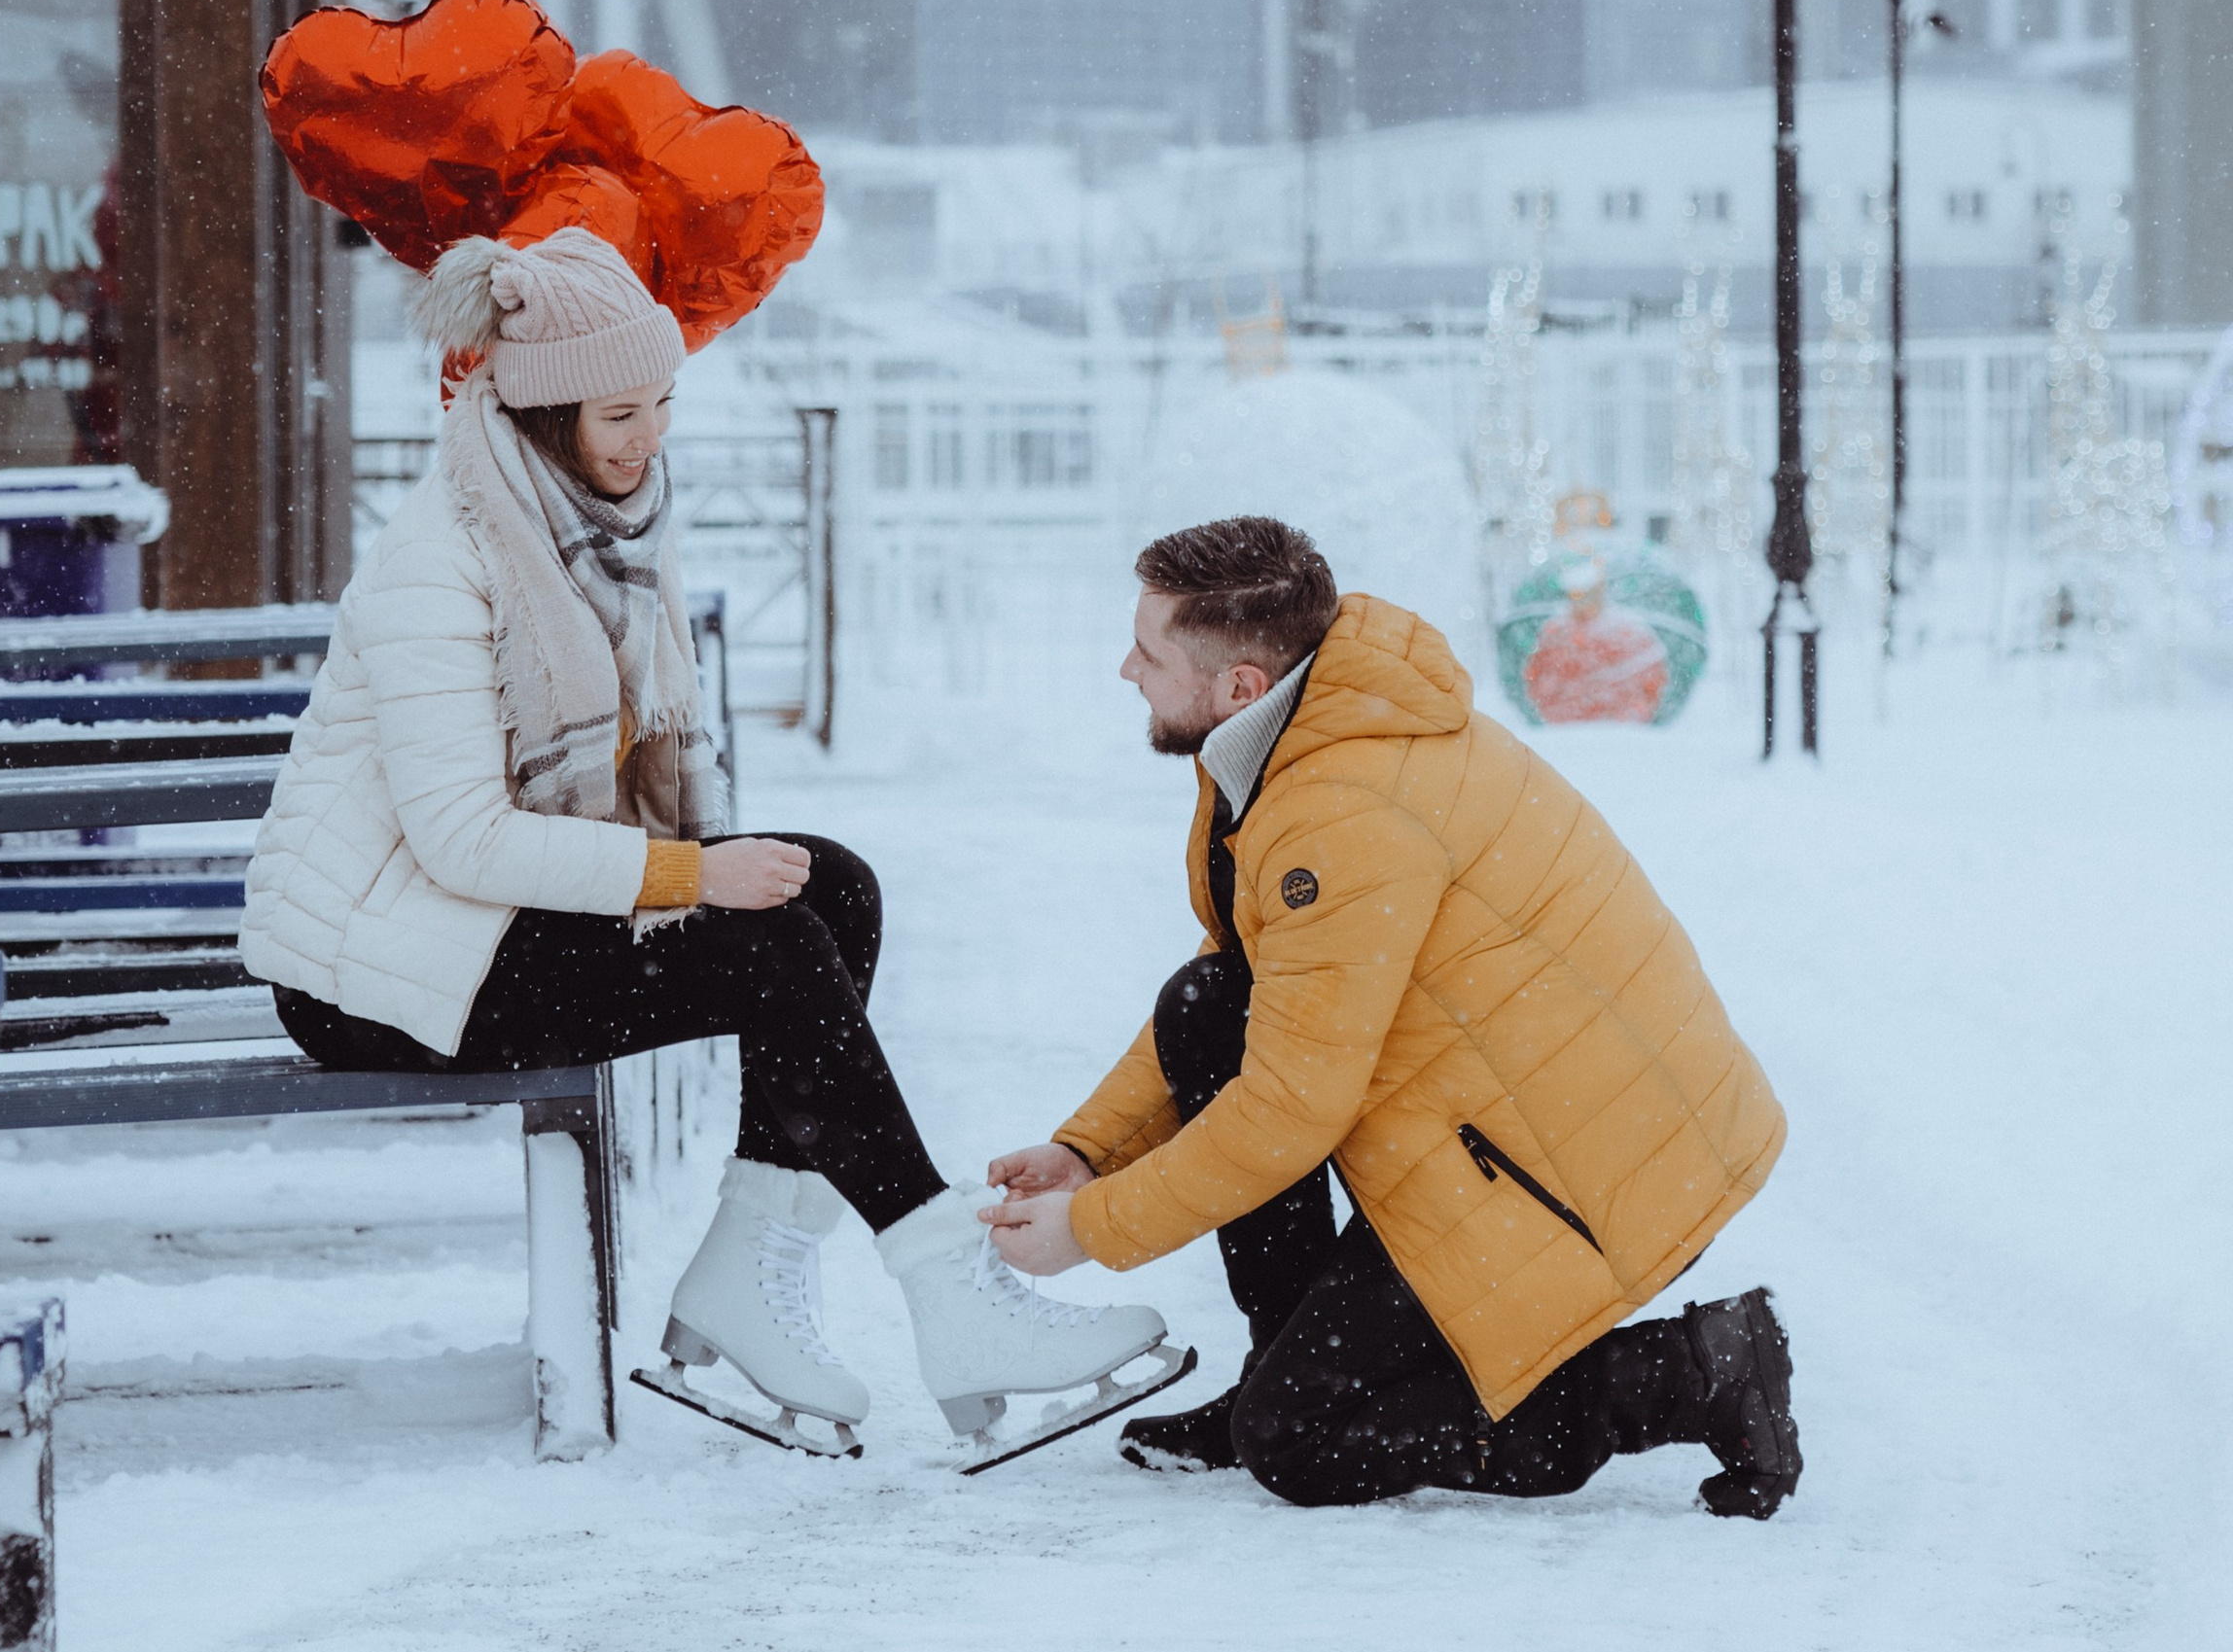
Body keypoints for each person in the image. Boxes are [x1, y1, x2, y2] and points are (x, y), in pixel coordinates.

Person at [239, 220, 1172, 1458]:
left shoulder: (599, 528)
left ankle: (750, 1264)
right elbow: (461, 839)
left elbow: (649, 760)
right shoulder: (444, 559)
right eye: (619, 415)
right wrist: (691, 875)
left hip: (478, 926)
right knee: (768, 946)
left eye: (663, 402)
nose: (650, 438)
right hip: (377, 966)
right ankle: (951, 1288)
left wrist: (712, 866)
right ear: (540, 411)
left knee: (829, 888)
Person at [985, 512, 1801, 1516]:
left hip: (1579, 1172)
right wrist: (1089, 1152)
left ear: (1239, 683)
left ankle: (1692, 1371)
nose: (1124, 669)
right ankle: (1291, 1359)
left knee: (1300, 1442)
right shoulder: (1305, 724)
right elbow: (1244, 976)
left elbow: (1290, 1109)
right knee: (1210, 1008)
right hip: (1504, 1119)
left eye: (1147, 651)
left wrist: (1091, 1230)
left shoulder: (1340, 804)